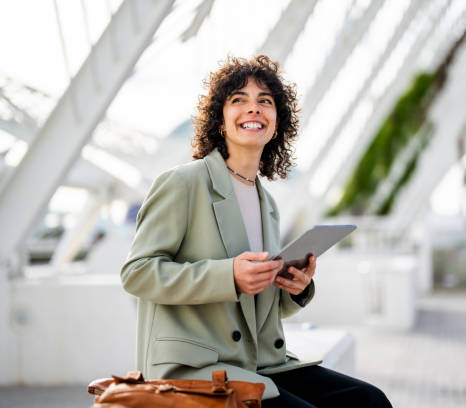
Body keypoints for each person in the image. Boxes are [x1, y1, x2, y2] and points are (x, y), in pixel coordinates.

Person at [120, 55, 391, 407]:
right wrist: (228, 275)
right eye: (239, 100)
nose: (253, 109)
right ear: (220, 119)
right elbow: (136, 274)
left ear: (277, 123)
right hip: (196, 368)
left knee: (369, 401)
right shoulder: (183, 183)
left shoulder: (267, 203)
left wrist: (293, 289)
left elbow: (254, 310)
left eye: (265, 101)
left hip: (259, 363)